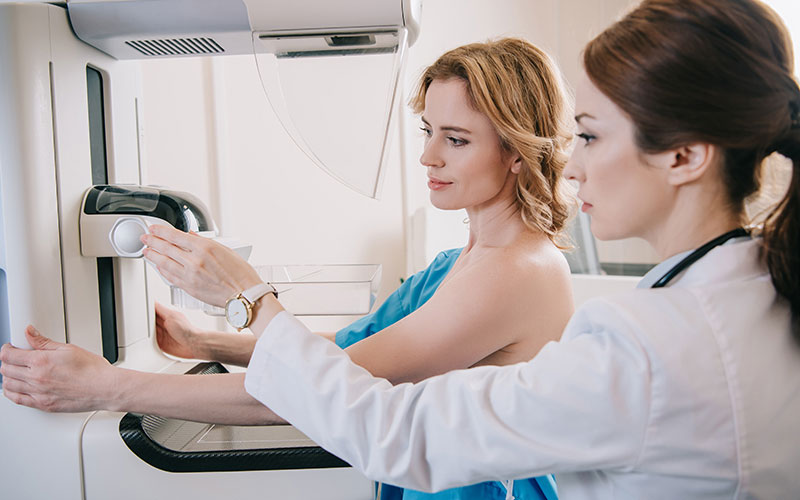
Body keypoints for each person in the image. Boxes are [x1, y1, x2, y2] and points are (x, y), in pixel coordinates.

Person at [25, 0, 796, 497]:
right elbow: (361, 355)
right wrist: (218, 337)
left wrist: (124, 376)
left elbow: (391, 425)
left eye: (591, 137)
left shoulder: (641, 340)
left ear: (686, 155)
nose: (577, 159)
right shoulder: (741, 296)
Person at [0, 39, 577, 500]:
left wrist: (105, 386)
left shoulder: (518, 272)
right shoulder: (462, 260)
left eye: (456, 139)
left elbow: (319, 389)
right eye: (428, 132)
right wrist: (210, 340)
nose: (428, 157)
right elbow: (352, 349)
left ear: (518, 150)